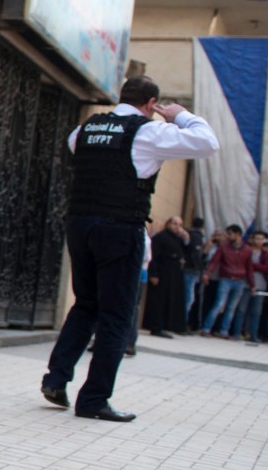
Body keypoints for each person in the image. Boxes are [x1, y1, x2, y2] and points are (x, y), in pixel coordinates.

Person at [40, 76, 218, 423]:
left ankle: (56, 378)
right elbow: (207, 143)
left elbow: (78, 150)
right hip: (120, 228)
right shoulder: (148, 132)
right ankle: (93, 399)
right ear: (151, 103)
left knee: (86, 304)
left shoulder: (86, 129)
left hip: (80, 224)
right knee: (117, 316)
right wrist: (180, 114)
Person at [200, 225, 250, 338]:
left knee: (231, 307)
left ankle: (224, 331)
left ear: (238, 234)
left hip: (240, 280)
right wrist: (208, 273)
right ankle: (206, 328)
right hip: (226, 278)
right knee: (219, 304)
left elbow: (249, 267)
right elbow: (214, 261)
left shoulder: (247, 249)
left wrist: (252, 284)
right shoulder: (224, 247)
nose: (228, 236)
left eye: (230, 234)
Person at [143, 216, 188, 337]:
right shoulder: (161, 237)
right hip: (162, 273)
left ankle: (167, 325)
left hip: (173, 274)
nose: (177, 227)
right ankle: (156, 326)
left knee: (169, 300)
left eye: (180, 224)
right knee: (158, 300)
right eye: (174, 223)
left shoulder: (178, 239)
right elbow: (154, 257)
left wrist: (186, 239)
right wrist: (153, 274)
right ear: (168, 224)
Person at [240, 232, 268, 343]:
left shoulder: (266, 254)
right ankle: (238, 332)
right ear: (252, 239)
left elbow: (267, 268)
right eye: (257, 238)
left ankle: (253, 335)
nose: (259, 241)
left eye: (261, 239)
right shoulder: (246, 250)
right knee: (241, 310)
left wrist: (252, 265)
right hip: (245, 283)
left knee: (256, 312)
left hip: (260, 285)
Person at [181, 218, 209, 332]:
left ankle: (182, 321)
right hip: (191, 270)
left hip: (189, 269)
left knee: (188, 297)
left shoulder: (191, 234)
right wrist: (201, 269)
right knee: (189, 298)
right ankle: (183, 322)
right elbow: (195, 255)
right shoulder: (197, 236)